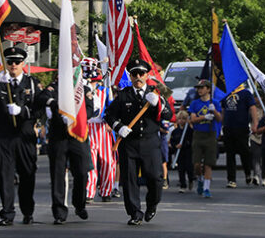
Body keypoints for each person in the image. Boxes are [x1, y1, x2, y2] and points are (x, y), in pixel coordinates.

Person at [104, 59, 173, 226]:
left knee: (156, 179)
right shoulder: (123, 95)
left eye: (141, 73)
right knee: (129, 180)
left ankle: (152, 205)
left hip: (150, 143)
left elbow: (168, 115)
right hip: (130, 144)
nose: (138, 77)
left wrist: (160, 105)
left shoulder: (156, 93)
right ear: (131, 76)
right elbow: (109, 115)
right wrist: (118, 127)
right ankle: (134, 213)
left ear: (147, 75)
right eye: (134, 74)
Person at [0, 47, 42, 227]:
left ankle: (27, 211)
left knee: (27, 174)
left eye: (16, 62)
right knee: (5, 175)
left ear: (23, 63)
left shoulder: (31, 83)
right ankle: (7, 213)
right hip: (4, 136)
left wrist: (22, 111)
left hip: (24, 135)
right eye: (10, 62)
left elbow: (38, 109)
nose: (13, 65)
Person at [36, 79, 91, 225]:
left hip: (77, 136)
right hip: (59, 136)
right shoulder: (54, 87)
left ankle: (79, 204)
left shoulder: (82, 88)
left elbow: (90, 109)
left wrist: (75, 118)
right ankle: (59, 212)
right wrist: (55, 104)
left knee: (81, 172)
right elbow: (41, 98)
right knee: (58, 174)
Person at [82, 58, 116, 203]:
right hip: (87, 127)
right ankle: (89, 192)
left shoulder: (105, 92)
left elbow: (112, 110)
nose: (93, 83)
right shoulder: (80, 91)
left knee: (108, 161)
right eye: (90, 81)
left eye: (95, 81)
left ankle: (106, 190)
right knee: (90, 162)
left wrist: (110, 123)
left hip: (102, 128)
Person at [188, 79, 223, 198]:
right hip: (198, 134)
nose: (199, 90)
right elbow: (192, 119)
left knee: (208, 162)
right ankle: (200, 178)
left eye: (202, 88)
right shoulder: (195, 103)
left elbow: (219, 119)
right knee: (197, 163)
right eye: (198, 88)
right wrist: (204, 116)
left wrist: (214, 111)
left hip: (210, 133)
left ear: (208, 89)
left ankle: (206, 188)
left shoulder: (215, 102)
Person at [221, 84, 258, 188]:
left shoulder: (246, 93)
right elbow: (223, 110)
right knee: (230, 154)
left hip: (241, 127)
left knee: (244, 152)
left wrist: (255, 123)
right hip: (228, 127)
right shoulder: (226, 93)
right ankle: (231, 179)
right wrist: (220, 124)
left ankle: (247, 173)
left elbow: (253, 108)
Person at [169, 110, 194, 193]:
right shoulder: (175, 131)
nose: (181, 120)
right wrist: (175, 145)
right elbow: (172, 141)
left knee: (189, 167)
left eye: (183, 119)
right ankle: (182, 185)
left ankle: (191, 179)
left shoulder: (189, 131)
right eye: (179, 119)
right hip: (179, 153)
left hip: (187, 152)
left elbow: (191, 141)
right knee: (181, 169)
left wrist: (184, 145)